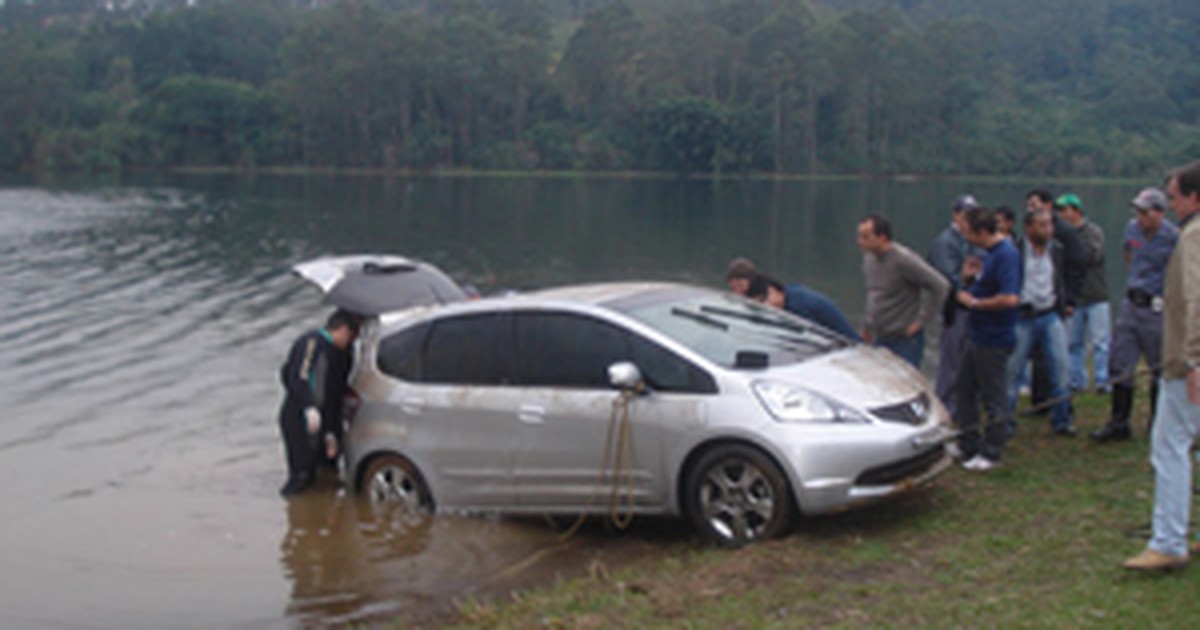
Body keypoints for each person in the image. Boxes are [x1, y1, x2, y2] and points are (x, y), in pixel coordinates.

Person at [1123, 160, 1200, 571]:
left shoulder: (1193, 236)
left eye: (1173, 197)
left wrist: (1193, 360)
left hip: (1187, 368)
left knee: (1169, 448)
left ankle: (1169, 542)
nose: (1169, 206)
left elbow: (1197, 299)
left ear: (1194, 197)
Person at [1091, 188, 1179, 443]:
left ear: (1160, 213)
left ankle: (1157, 422)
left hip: (1157, 307)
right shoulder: (1131, 230)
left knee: (1157, 366)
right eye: (1138, 212)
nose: (1140, 218)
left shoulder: (1173, 237)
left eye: (1145, 212)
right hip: (1132, 302)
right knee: (1120, 361)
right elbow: (1128, 256)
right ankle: (1119, 422)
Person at [953, 207, 1021, 472]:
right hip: (976, 334)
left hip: (994, 337)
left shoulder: (1007, 255)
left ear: (982, 231)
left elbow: (1010, 298)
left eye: (969, 232)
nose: (966, 237)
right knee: (964, 390)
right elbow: (983, 284)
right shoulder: (988, 255)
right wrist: (968, 280)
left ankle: (992, 451)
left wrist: (975, 303)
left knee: (993, 396)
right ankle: (968, 443)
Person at [1005, 210, 1076, 437]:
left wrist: (1064, 302)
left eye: (1049, 225)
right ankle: (1005, 423)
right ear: (1028, 228)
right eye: (1041, 225)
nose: (1047, 230)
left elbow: (1062, 279)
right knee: (1012, 372)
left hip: (1050, 314)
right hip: (1022, 317)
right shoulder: (1015, 250)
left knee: (1061, 368)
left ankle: (1061, 420)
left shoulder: (1056, 250)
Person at [278, 309, 362, 497]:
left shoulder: (345, 354)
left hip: (329, 416)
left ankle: (323, 518)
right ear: (341, 329)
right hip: (300, 415)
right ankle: (295, 514)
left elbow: (337, 390)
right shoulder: (311, 343)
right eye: (352, 335)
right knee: (302, 474)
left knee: (329, 469)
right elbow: (296, 378)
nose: (353, 340)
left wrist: (332, 430)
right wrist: (309, 406)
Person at [857, 214, 949, 368]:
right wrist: (866, 326)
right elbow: (873, 295)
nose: (860, 242)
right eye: (860, 237)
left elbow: (940, 285)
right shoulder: (869, 258)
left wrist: (921, 321)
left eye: (866, 237)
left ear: (882, 237)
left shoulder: (903, 260)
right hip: (879, 337)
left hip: (904, 340)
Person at [1025, 189, 1088, 412]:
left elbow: (1078, 266)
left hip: (1052, 311)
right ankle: (1032, 403)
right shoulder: (1019, 247)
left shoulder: (1063, 240)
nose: (1031, 208)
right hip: (1025, 313)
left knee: (1060, 363)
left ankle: (1062, 415)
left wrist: (1069, 299)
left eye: (1036, 204)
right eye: (1030, 206)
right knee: (1018, 367)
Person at [928, 194, 986, 418]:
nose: (969, 219)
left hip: (975, 308)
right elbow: (947, 279)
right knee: (950, 362)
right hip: (954, 310)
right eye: (965, 215)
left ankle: (963, 406)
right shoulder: (946, 242)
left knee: (969, 361)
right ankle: (944, 407)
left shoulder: (974, 240)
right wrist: (965, 280)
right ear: (955, 215)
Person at [1055, 194, 1111, 393]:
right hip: (1074, 297)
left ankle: (1103, 381)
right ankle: (1076, 381)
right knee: (1073, 343)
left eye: (1064, 209)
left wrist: (1072, 252)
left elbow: (1093, 255)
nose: (1060, 214)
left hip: (1096, 295)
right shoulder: (1058, 235)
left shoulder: (1093, 231)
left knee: (1100, 342)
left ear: (1076, 211)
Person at [746, 274, 861, 340]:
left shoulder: (797, 306)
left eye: (763, 301)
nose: (766, 308)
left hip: (849, 347)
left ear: (772, 290)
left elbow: (810, 339)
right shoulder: (792, 292)